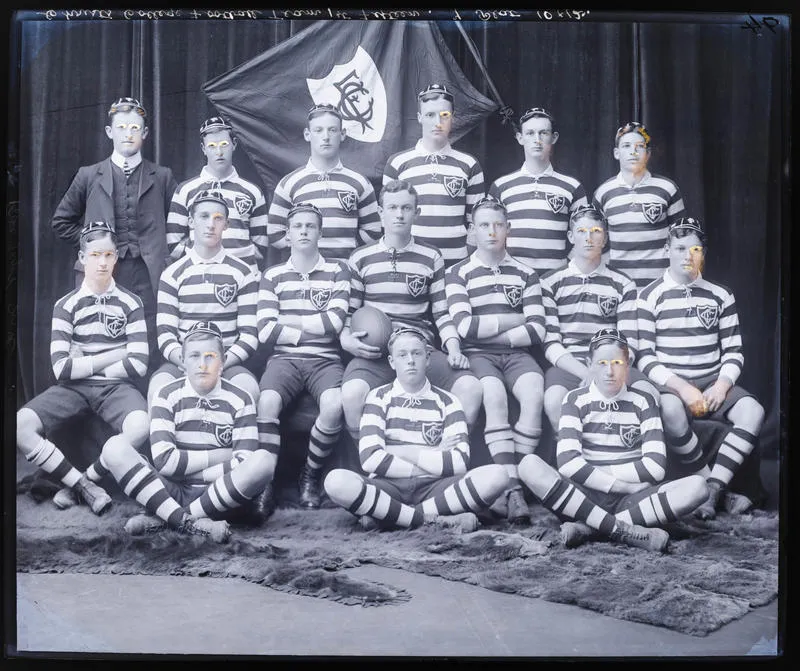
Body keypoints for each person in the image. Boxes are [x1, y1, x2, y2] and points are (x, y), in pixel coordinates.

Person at [518, 328, 709, 552]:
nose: (609, 371)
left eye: (617, 363)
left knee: (698, 488)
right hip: (583, 497)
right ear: (589, 364)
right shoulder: (574, 400)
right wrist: (622, 485)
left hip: (632, 500)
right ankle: (620, 529)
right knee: (528, 465)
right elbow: (568, 464)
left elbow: (655, 468)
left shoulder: (644, 401)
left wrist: (598, 473)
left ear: (628, 364)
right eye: (601, 363)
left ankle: (591, 529)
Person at [16, 221, 149, 515]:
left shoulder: (131, 302)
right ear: (82, 257)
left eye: (108, 255)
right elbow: (62, 370)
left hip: (115, 388)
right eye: (95, 255)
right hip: (72, 389)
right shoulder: (66, 305)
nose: (102, 263)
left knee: (141, 425)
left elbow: (139, 363)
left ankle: (87, 480)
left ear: (116, 257)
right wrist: (116, 352)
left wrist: (84, 362)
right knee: (20, 425)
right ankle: (82, 485)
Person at [637, 217, 765, 519]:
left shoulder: (720, 294)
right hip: (672, 383)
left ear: (703, 254)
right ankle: (708, 486)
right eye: (680, 248)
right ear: (666, 250)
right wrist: (682, 388)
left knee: (754, 411)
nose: (687, 256)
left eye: (695, 249)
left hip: (711, 380)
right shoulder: (649, 295)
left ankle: (715, 487)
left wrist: (721, 385)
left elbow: (733, 351)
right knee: (670, 410)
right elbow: (645, 357)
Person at [324, 327, 509, 532]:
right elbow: (370, 459)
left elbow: (458, 463)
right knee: (335, 481)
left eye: (417, 353)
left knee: (498, 476)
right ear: (392, 362)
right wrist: (435, 453)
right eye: (402, 355)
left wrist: (401, 451)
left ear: (428, 359)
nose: (410, 360)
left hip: (435, 488)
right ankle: (432, 520)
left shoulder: (449, 402)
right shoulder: (377, 398)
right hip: (388, 487)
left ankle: (392, 518)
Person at [340, 180, 482, 447]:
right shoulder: (361, 257)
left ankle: (443, 456)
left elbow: (442, 312)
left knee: (471, 389)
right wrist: (347, 340)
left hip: (419, 348)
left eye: (406, 208)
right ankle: (373, 461)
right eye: (392, 208)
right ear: (380, 212)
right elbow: (349, 313)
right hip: (377, 353)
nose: (399, 214)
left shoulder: (431, 256)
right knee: (351, 394)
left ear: (417, 213)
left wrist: (453, 348)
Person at [51, 97, 178, 367]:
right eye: (121, 128)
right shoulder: (88, 175)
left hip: (149, 273)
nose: (128, 134)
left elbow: (180, 224)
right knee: (99, 333)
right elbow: (61, 221)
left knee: (148, 335)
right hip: (104, 270)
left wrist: (166, 253)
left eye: (135, 128)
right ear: (110, 132)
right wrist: (93, 247)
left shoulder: (162, 176)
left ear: (145, 133)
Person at [445, 195, 547, 525]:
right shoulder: (458, 273)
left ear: (508, 229)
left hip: (517, 355)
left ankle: (518, 477)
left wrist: (491, 332)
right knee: (494, 395)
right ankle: (513, 489)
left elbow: (538, 329)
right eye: (484, 225)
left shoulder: (525, 273)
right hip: (478, 356)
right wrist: (515, 319)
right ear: (471, 230)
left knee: (534, 392)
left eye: (498, 225)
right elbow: (465, 327)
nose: (492, 231)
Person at [125, 321, 275, 541]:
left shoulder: (241, 398)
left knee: (264, 460)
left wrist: (194, 473)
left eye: (210, 357)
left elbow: (244, 461)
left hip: (219, 494)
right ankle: (190, 522)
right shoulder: (165, 395)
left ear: (223, 361)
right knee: (115, 449)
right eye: (194, 356)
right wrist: (222, 455)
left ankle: (172, 520)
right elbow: (164, 463)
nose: (202, 365)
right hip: (171, 491)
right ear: (182, 361)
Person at [256, 202, 351, 510]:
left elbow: (334, 323)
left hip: (325, 360)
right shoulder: (273, 275)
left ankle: (310, 474)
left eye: (311, 226)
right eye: (298, 226)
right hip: (284, 360)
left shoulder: (338, 271)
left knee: (335, 404)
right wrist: (312, 328)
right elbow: (265, 330)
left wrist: (288, 323)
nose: (304, 231)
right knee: (266, 402)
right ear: (287, 234)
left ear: (320, 232)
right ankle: (265, 481)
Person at [540, 204, 655, 429]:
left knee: (649, 394)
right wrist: (587, 372)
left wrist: (608, 369)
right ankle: (570, 449)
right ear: (571, 237)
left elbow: (630, 341)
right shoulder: (550, 282)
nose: (589, 238)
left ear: (605, 238)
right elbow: (551, 343)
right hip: (570, 364)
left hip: (613, 362)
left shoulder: (623, 283)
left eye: (596, 232)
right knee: (554, 401)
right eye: (582, 232)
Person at [148, 189, 260, 407]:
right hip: (183, 363)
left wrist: (219, 364)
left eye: (218, 218)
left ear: (226, 225)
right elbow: (165, 335)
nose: (211, 224)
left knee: (250, 388)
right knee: (158, 389)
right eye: (204, 216)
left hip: (226, 362)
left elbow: (249, 336)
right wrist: (190, 364)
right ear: (191, 221)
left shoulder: (243, 272)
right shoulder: (172, 274)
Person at [383, 83, 485, 268]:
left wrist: (466, 261)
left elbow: (476, 222)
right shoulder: (397, 163)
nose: (438, 122)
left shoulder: (469, 164)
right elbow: (387, 220)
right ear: (420, 117)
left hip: (456, 262)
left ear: (452, 117)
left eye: (444, 115)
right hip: (411, 261)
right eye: (430, 115)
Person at [266, 103, 381, 266]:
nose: (326, 137)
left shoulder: (360, 183)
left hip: (345, 271)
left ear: (342, 134)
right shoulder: (290, 183)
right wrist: (304, 252)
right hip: (304, 273)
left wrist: (349, 249)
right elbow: (274, 233)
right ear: (307, 134)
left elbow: (373, 232)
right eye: (318, 130)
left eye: (332, 130)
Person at [488, 107, 588, 276]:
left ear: (554, 137)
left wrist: (565, 270)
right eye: (530, 133)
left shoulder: (572, 187)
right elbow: (489, 235)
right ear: (520, 138)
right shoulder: (500, 186)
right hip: (512, 278)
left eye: (543, 133)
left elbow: (585, 236)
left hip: (557, 279)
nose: (537, 140)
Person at [166, 116, 269, 272]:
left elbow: (261, 246)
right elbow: (174, 244)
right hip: (199, 275)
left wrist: (237, 263)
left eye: (224, 145)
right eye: (212, 146)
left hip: (241, 276)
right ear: (203, 149)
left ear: (234, 144)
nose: (219, 152)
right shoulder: (186, 190)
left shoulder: (252, 191)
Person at [592, 122, 686, 289]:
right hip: (618, 287)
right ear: (616, 153)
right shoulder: (603, 193)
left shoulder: (668, 189)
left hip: (661, 287)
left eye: (640, 147)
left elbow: (681, 239)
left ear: (648, 153)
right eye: (626, 146)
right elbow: (597, 244)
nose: (633, 152)